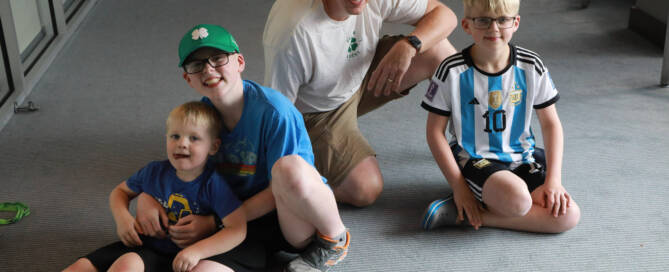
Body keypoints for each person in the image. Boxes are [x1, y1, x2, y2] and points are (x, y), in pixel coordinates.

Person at [134, 24, 350, 272]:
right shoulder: (200, 119)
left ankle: (334, 240)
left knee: (288, 169)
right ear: (188, 78)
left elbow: (279, 188)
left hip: (290, 218)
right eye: (197, 65)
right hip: (237, 223)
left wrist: (215, 222)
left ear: (239, 62)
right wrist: (147, 197)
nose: (209, 69)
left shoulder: (274, 111)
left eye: (218, 58)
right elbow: (183, 172)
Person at [263, 0, 459, 207]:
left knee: (438, 50)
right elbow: (279, 114)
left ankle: (474, 153)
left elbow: (445, 15)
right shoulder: (293, 31)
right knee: (365, 187)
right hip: (316, 113)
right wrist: (283, 177)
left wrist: (410, 44)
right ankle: (302, 182)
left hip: (361, 73)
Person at [419, 0, 581, 233]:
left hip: (523, 157)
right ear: (466, 25)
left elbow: (551, 124)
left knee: (568, 216)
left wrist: (554, 180)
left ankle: (466, 214)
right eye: (483, 20)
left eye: (503, 20)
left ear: (515, 23)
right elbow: (434, 132)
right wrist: (459, 187)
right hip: (475, 158)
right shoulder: (451, 70)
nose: (493, 29)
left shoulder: (531, 65)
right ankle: (467, 199)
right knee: (518, 200)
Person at [64, 101, 248, 272]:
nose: (182, 144)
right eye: (175, 136)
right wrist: (123, 219)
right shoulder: (154, 171)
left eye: (194, 138)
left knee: (126, 265)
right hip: (145, 248)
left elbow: (237, 229)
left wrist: (198, 252)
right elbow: (120, 192)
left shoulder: (213, 184)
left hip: (188, 258)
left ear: (213, 147)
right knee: (82, 268)